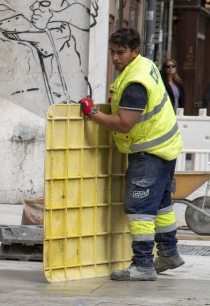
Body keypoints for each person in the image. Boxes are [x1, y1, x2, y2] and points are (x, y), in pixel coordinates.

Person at [78, 28, 184, 281]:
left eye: (121, 53)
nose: (115, 58)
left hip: (148, 152)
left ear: (134, 51)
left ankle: (143, 265)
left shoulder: (135, 83)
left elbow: (124, 124)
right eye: (112, 52)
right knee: (161, 205)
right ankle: (169, 253)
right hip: (165, 147)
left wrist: (92, 113)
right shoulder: (145, 65)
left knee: (139, 208)